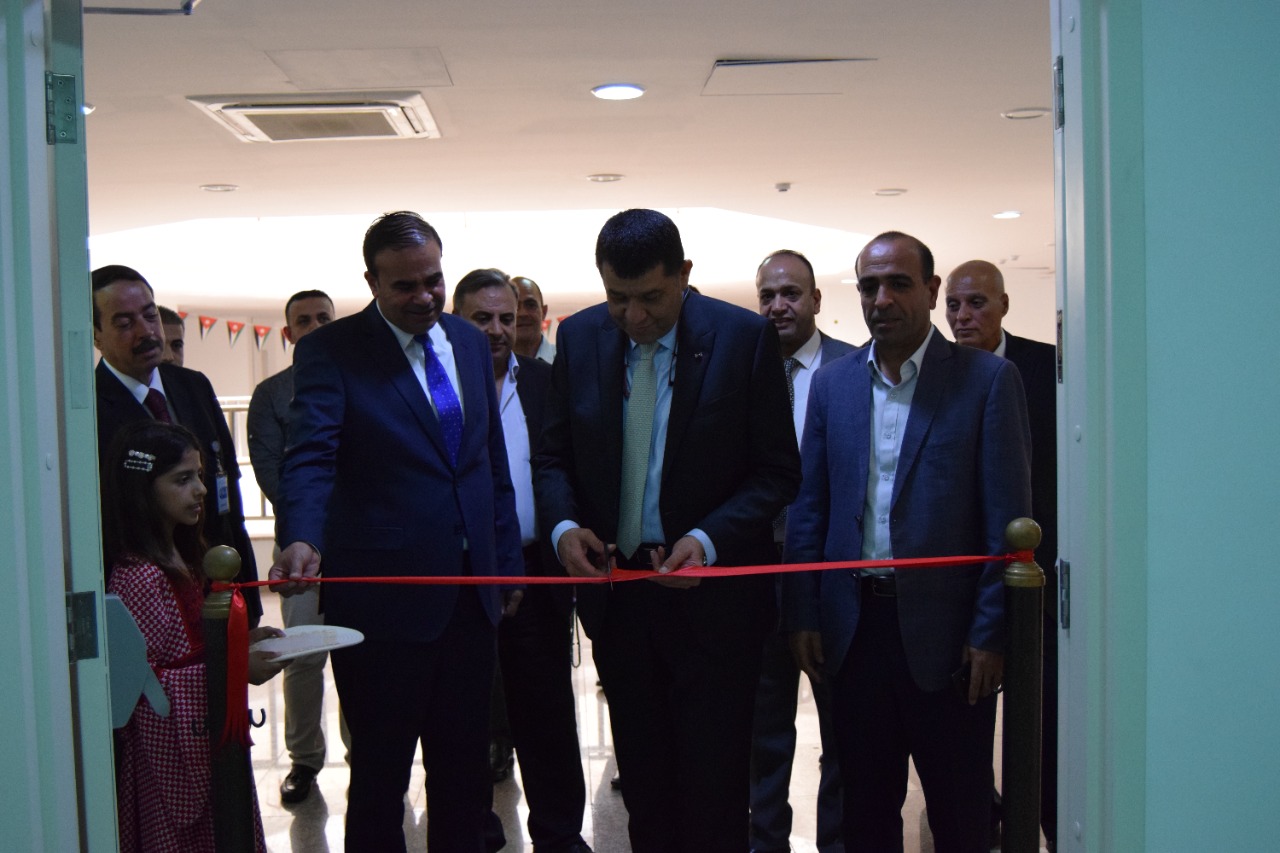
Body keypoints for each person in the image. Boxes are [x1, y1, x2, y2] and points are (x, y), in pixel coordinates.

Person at [534, 208, 801, 853]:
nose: (634, 316)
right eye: (617, 298)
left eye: (651, 298)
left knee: (714, 792)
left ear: (684, 274)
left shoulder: (743, 339)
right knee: (645, 788)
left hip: (715, 608)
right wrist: (565, 526)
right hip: (620, 598)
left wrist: (707, 540)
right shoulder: (581, 337)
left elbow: (776, 472)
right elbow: (552, 456)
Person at [269, 211, 525, 853]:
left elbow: (489, 463)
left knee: (464, 773)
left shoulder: (468, 342)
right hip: (382, 603)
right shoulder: (332, 351)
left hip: (470, 596)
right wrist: (303, 536)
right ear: (372, 283)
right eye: (405, 286)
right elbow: (311, 455)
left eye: (433, 280)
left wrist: (505, 564)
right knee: (380, 775)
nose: (425, 297)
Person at [783, 232, 1031, 852]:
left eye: (898, 284)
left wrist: (989, 632)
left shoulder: (987, 381)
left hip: (949, 640)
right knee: (864, 811)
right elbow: (811, 509)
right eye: (869, 286)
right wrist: (804, 613)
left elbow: (1008, 521)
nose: (882, 299)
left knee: (961, 811)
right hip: (854, 631)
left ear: (931, 290)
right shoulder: (834, 386)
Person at [453, 269, 592, 853]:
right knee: (462, 716)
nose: (497, 330)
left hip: (537, 570)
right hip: (462, 575)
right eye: (481, 319)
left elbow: (566, 465)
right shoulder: (439, 386)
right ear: (455, 321)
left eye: (506, 318)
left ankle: (560, 835)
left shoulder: (543, 381)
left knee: (547, 712)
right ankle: (476, 834)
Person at [103, 419, 285, 853]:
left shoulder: (182, 555)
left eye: (200, 476)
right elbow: (146, 687)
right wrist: (233, 669)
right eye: (182, 480)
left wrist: (243, 643)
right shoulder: (139, 575)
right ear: (143, 489)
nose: (201, 490)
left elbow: (191, 647)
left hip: (204, 740)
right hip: (168, 760)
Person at [945, 258, 1059, 850]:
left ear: (1004, 306)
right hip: (969, 578)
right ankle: (984, 814)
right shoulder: (941, 372)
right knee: (968, 720)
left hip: (1042, 576)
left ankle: (1049, 823)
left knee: (1045, 718)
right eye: (954, 305)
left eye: (977, 303)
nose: (964, 316)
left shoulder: (1048, 368)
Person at [751, 249, 853, 853]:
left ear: (816, 299)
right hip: (758, 571)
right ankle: (765, 842)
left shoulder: (853, 367)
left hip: (828, 574)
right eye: (767, 295)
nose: (778, 306)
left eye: (790, 293)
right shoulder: (742, 370)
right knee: (763, 729)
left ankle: (838, 841)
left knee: (844, 727)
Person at [93, 265, 262, 623]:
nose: (146, 332)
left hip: (218, 582)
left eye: (150, 315)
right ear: (96, 335)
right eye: (124, 323)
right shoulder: (89, 409)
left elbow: (226, 492)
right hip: (152, 602)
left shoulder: (192, 385)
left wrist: (247, 596)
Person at [246, 288, 341, 806]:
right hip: (299, 547)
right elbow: (271, 473)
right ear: (288, 333)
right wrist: (310, 527)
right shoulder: (270, 394)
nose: (315, 327)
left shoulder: (357, 380)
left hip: (358, 547)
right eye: (304, 321)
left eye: (324, 318)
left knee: (359, 653)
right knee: (303, 655)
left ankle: (366, 754)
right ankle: (304, 760)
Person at [511, 275, 556, 362]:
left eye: (530, 305)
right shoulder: (490, 363)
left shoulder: (566, 361)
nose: (522, 313)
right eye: (514, 306)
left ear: (544, 312)